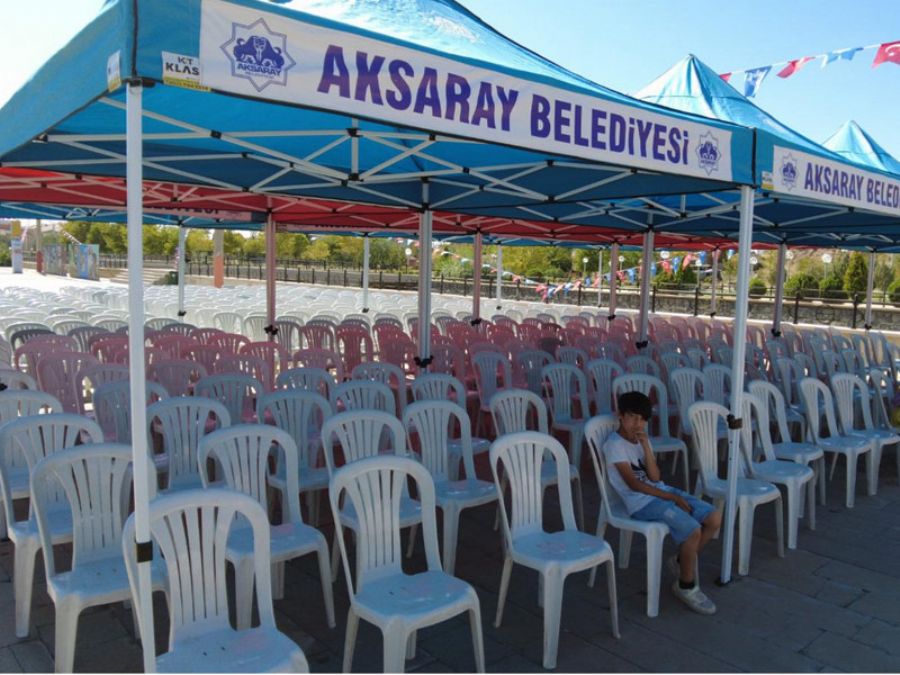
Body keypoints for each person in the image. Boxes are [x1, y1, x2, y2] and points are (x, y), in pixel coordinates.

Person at [604, 390, 722, 614]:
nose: (636, 423)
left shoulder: (638, 441)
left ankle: (680, 561)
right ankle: (686, 586)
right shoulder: (614, 445)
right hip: (641, 503)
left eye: (642, 419)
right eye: (632, 416)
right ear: (620, 415)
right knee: (693, 531)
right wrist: (673, 497)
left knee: (714, 518)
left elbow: (656, 477)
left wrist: (646, 446)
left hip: (660, 491)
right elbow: (634, 485)